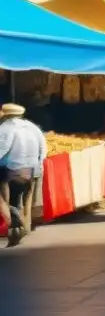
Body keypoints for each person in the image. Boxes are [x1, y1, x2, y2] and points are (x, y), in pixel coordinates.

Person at [0, 103, 46, 247]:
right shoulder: (33, 128)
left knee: (4, 201)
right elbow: (43, 150)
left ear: (6, 115)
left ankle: (13, 223)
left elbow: (3, 148)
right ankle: (24, 225)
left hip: (11, 170)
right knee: (23, 199)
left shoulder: (5, 128)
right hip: (30, 170)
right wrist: (36, 166)